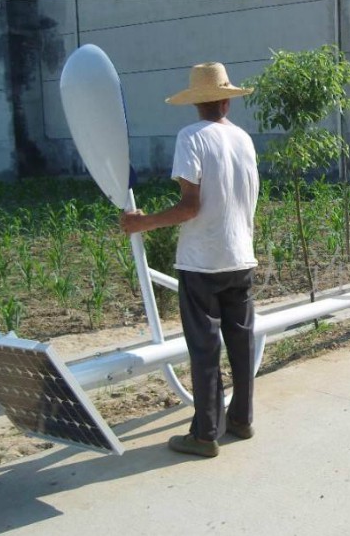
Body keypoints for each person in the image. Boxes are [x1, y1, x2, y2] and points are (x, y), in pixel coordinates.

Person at [120, 62, 259, 458]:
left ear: (196, 103)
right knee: (241, 343)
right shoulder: (244, 140)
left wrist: (141, 223)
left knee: (204, 348)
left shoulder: (191, 137)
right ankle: (242, 419)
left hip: (202, 262)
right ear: (226, 102)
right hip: (240, 256)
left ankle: (204, 434)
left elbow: (189, 206)